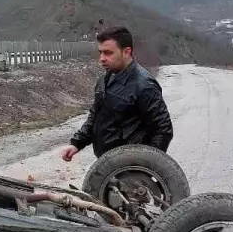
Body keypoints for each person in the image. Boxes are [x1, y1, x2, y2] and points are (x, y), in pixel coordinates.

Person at [61, 26, 173, 163]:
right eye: (100, 53)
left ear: (126, 52)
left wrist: (144, 166)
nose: (101, 59)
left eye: (108, 53)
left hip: (130, 167)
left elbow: (163, 130)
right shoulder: (104, 80)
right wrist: (76, 143)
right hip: (106, 164)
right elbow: (95, 116)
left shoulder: (144, 85)